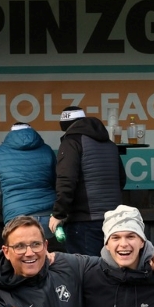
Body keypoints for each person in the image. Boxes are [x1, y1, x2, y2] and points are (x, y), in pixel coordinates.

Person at [50, 108, 124, 256]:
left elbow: (66, 181)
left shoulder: (71, 142)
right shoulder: (110, 144)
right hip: (113, 220)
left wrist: (58, 214)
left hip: (84, 221)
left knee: (85, 271)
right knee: (110, 270)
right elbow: (122, 180)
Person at [0, 122, 55, 230]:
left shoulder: (0, 153)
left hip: (15, 215)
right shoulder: (47, 150)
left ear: (11, 133)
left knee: (19, 246)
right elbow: (58, 181)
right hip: (47, 215)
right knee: (43, 246)